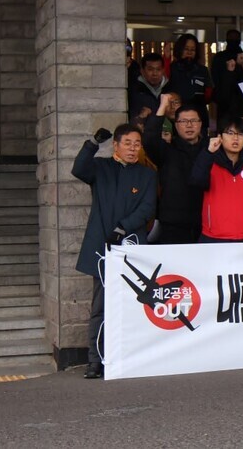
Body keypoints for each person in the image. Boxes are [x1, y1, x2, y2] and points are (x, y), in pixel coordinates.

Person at [72, 124, 157, 379]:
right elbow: (78, 169)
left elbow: (148, 207)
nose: (133, 148)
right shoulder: (101, 168)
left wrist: (123, 227)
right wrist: (92, 144)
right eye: (128, 143)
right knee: (101, 305)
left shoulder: (147, 175)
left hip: (131, 246)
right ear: (116, 145)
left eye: (137, 143)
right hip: (102, 247)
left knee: (135, 302)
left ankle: (131, 356)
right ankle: (95, 361)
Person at [190, 117, 243, 243]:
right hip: (212, 238)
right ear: (220, 136)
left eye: (241, 134)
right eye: (230, 133)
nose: (236, 138)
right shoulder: (209, 163)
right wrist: (208, 152)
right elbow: (196, 180)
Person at [142, 94, 208, 244]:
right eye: (183, 121)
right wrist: (162, 107)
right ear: (176, 125)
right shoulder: (167, 151)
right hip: (173, 224)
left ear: (200, 123)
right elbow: (150, 139)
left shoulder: (211, 150)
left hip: (206, 223)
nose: (189, 125)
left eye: (193, 121)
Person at [169, 33, 213, 133]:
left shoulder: (203, 70)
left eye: (192, 50)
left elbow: (209, 94)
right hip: (177, 118)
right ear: (180, 50)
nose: (189, 52)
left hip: (199, 117)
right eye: (186, 49)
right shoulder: (171, 68)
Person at [128, 53, 171, 122]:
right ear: (142, 71)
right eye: (150, 69)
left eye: (158, 69)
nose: (155, 73)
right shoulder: (134, 90)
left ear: (163, 70)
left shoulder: (170, 88)